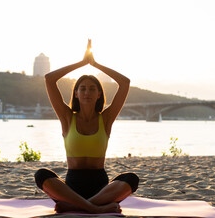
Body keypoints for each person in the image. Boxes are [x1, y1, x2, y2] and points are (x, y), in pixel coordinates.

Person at [34, 39, 139, 214]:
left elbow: (125, 83)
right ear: (75, 93)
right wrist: (82, 63)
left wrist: (95, 64)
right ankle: (92, 207)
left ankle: (78, 206)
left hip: (101, 187)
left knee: (131, 179)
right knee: (41, 175)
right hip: (72, 187)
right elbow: (49, 79)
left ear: (99, 94)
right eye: (82, 88)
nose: (87, 92)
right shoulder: (67, 118)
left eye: (92, 89)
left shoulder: (106, 119)